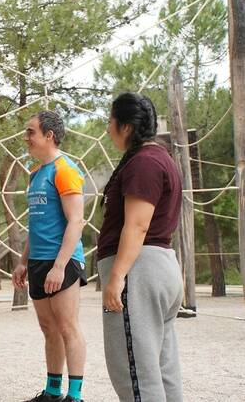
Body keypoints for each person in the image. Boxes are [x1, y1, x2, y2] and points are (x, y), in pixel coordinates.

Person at [97, 92, 183, 401]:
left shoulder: (144, 162)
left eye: (111, 122)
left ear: (127, 126)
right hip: (159, 267)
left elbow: (137, 224)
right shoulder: (161, 159)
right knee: (162, 370)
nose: (108, 129)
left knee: (136, 375)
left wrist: (117, 277)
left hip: (138, 271)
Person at [12, 111, 88, 402]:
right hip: (38, 261)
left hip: (63, 261)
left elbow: (76, 221)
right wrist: (23, 261)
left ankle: (76, 396)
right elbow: (37, 223)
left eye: (31, 131)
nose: (26, 137)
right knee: (48, 328)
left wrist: (59, 266)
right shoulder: (35, 173)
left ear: (49, 136)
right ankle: (53, 392)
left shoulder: (65, 170)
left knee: (68, 327)